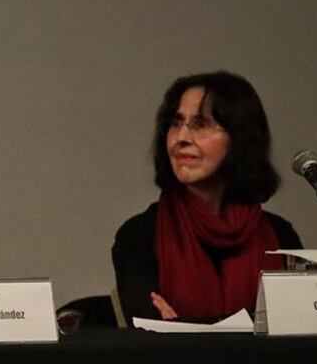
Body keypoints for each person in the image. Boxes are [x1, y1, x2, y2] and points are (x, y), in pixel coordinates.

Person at [112, 71, 301, 322]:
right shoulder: (139, 236)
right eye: (176, 123)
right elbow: (153, 336)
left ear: (239, 138)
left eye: (200, 124)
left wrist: (185, 327)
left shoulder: (281, 237)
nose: (181, 138)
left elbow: (298, 331)